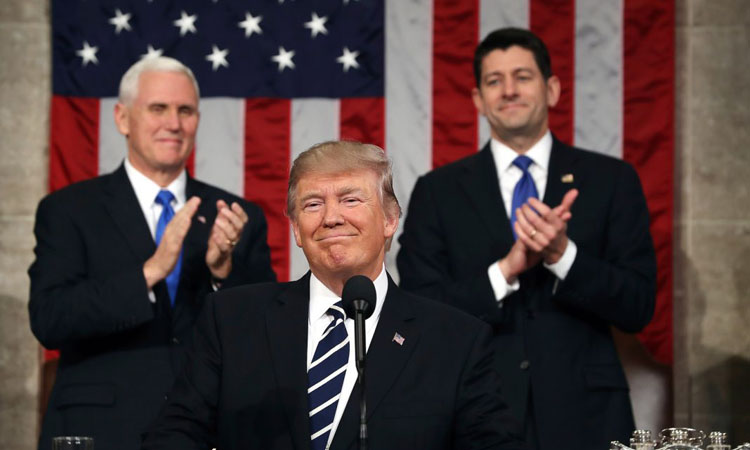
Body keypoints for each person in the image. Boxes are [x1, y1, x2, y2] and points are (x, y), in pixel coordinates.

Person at [141, 141, 525, 450]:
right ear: (296, 229)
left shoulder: (455, 341)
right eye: (313, 204)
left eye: (351, 199)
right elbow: (174, 436)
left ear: (390, 219)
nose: (331, 218)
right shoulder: (232, 319)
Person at [397, 28, 657, 450]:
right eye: (494, 81)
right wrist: (504, 272)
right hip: (477, 413)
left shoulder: (611, 180)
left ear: (552, 89)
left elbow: (638, 306)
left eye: (522, 76)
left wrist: (563, 256)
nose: (509, 91)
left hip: (586, 418)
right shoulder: (437, 191)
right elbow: (418, 309)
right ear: (478, 100)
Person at [28, 56, 276, 450]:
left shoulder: (234, 216)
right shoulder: (69, 210)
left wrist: (222, 272)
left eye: (185, 111)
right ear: (122, 118)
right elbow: (50, 318)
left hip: (205, 431)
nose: (173, 123)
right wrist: (150, 272)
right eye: (158, 108)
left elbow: (266, 333)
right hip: (101, 430)